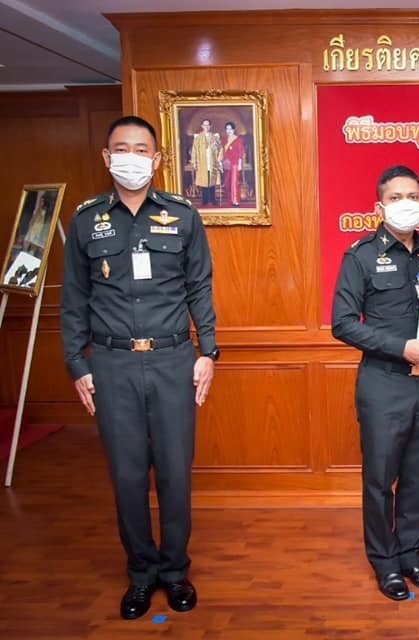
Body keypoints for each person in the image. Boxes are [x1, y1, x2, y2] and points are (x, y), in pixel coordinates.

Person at [60, 115, 219, 620]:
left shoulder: (183, 216)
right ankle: (141, 573)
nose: (132, 157)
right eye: (121, 149)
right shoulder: (87, 220)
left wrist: (208, 352)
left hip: (173, 360)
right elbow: (74, 298)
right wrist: (76, 363)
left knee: (174, 473)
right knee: (128, 476)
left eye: (141, 149)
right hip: (111, 364)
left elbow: (200, 286)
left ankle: (174, 571)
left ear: (157, 158)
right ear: (107, 158)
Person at [331, 165, 419, 601]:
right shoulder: (360, 255)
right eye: (396, 198)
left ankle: (411, 555)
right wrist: (401, 348)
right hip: (383, 383)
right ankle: (384, 562)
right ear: (379, 206)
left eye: (412, 196)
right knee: (380, 479)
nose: (405, 204)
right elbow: (342, 324)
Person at [190, 118, 221, 206]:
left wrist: (219, 158)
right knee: (204, 181)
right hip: (202, 162)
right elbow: (194, 150)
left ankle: (213, 199)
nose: (206, 127)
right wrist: (194, 162)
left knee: (212, 181)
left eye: (208, 125)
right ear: (202, 126)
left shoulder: (215, 137)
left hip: (212, 162)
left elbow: (219, 149)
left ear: (210, 126)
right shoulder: (198, 137)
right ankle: (205, 199)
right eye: (204, 125)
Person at [221, 121, 245, 207]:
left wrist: (240, 164)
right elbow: (222, 152)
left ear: (234, 130)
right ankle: (230, 200)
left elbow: (240, 152)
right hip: (227, 164)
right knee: (227, 182)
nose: (229, 131)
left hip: (235, 163)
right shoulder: (224, 140)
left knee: (234, 182)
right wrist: (221, 162)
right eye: (227, 129)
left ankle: (235, 200)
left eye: (230, 129)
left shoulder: (238, 140)